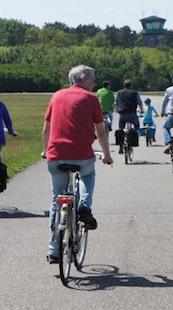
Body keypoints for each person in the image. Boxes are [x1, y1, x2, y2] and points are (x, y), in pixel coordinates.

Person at [42, 65, 113, 264]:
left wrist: (46, 151)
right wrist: (107, 155)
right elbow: (100, 131)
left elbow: (46, 129)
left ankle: (53, 250)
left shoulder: (56, 96)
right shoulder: (91, 99)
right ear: (83, 79)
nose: (95, 84)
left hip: (56, 156)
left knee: (57, 199)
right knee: (88, 174)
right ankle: (83, 206)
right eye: (93, 79)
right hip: (82, 155)